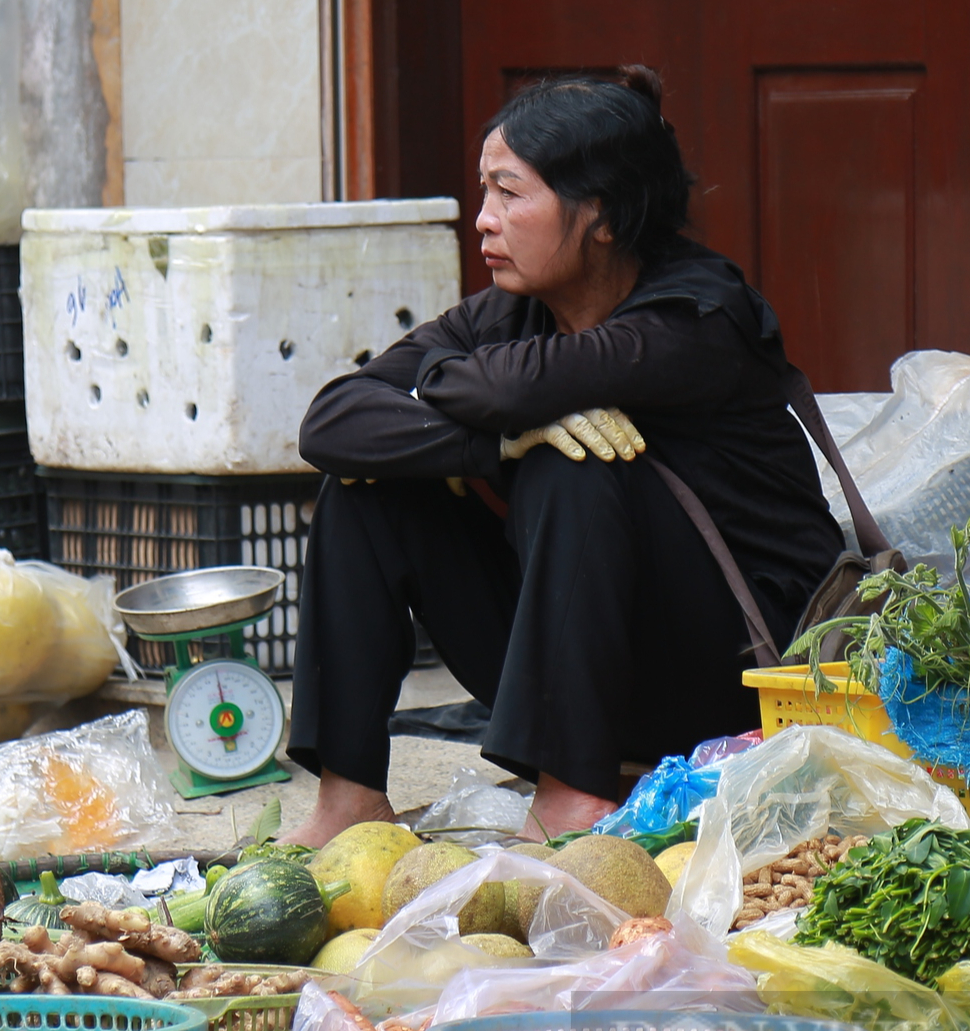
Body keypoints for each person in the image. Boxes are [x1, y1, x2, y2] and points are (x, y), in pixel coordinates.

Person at [282, 66, 843, 847]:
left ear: (602, 215)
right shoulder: (510, 313)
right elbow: (331, 420)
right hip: (574, 661)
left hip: (735, 672)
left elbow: (514, 389)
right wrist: (493, 439)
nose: (483, 221)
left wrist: (463, 398)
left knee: (571, 461)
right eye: (485, 192)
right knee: (366, 485)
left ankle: (569, 798)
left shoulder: (695, 316)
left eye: (510, 195)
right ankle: (347, 803)